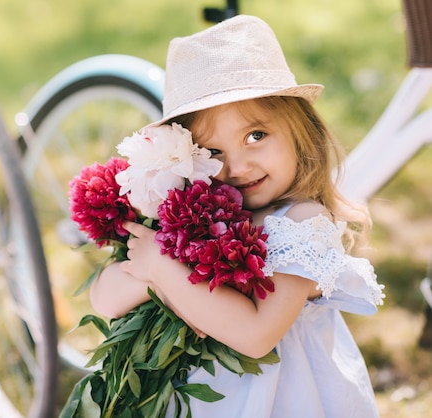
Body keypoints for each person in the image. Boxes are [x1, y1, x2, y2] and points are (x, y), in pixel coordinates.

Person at [89, 15, 385, 417]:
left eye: (256, 136)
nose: (238, 166)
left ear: (300, 132)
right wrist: (155, 280)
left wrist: (165, 274)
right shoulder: (194, 214)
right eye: (212, 152)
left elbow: (256, 334)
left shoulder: (301, 221)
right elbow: (103, 298)